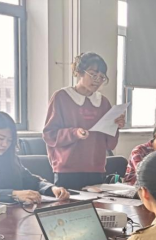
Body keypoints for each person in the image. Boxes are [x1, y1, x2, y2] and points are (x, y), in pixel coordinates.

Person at [43, 52, 126, 190]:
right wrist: (75, 133)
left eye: (102, 77)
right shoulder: (61, 97)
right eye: (93, 74)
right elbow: (49, 135)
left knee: (97, 203)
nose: (97, 80)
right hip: (67, 170)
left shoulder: (103, 102)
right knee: (70, 203)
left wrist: (116, 126)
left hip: (96, 169)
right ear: (79, 72)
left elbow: (110, 144)